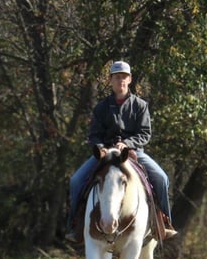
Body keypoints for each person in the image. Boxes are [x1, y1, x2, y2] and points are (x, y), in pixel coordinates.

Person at [65, 60, 178, 243]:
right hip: (106, 154)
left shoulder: (140, 106)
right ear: (111, 80)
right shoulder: (101, 107)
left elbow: (145, 133)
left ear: (130, 79)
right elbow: (94, 135)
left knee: (161, 178)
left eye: (124, 77)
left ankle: (164, 222)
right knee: (76, 180)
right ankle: (74, 225)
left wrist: (127, 143)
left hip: (133, 153)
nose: (121, 81)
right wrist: (102, 147)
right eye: (117, 77)